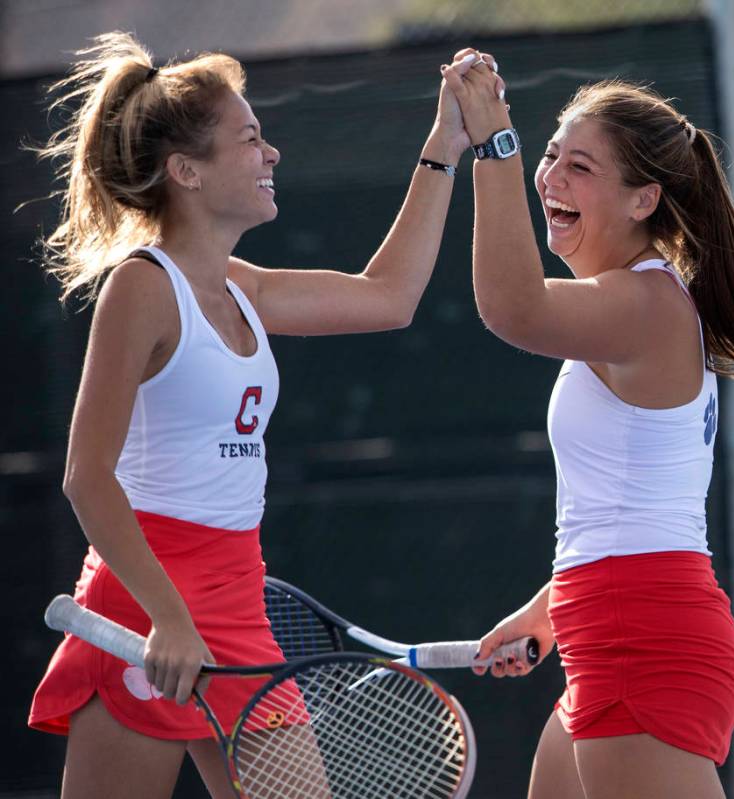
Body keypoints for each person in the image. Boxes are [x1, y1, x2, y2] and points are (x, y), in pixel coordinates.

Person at [28, 33, 500, 799]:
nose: (271, 153)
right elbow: (88, 479)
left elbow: (390, 295)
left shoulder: (242, 285)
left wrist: (444, 143)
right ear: (187, 171)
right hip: (144, 608)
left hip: (236, 604)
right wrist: (168, 615)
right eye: (249, 139)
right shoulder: (142, 289)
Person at [441, 51, 734, 799]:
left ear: (643, 199)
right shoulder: (628, 305)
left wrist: (495, 143)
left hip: (642, 638)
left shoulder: (645, 305)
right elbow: (626, 504)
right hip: (612, 625)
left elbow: (513, 306)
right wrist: (547, 608)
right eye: (549, 152)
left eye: (578, 165)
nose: (550, 174)